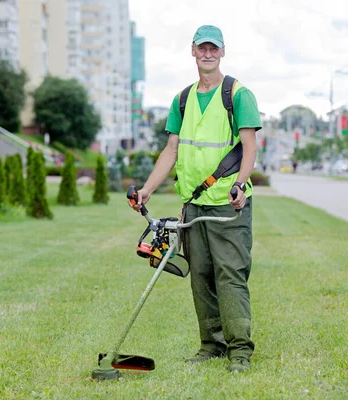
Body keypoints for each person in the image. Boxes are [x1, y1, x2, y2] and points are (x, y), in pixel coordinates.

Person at [129, 25, 261, 373]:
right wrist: (147, 189)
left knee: (230, 275)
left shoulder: (238, 94)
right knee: (200, 275)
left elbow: (249, 147)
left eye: (213, 48)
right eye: (202, 48)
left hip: (227, 206)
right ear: (192, 51)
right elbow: (171, 150)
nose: (207, 54)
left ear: (222, 51)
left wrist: (240, 185)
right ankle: (211, 344)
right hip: (193, 205)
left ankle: (239, 351)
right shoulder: (182, 100)